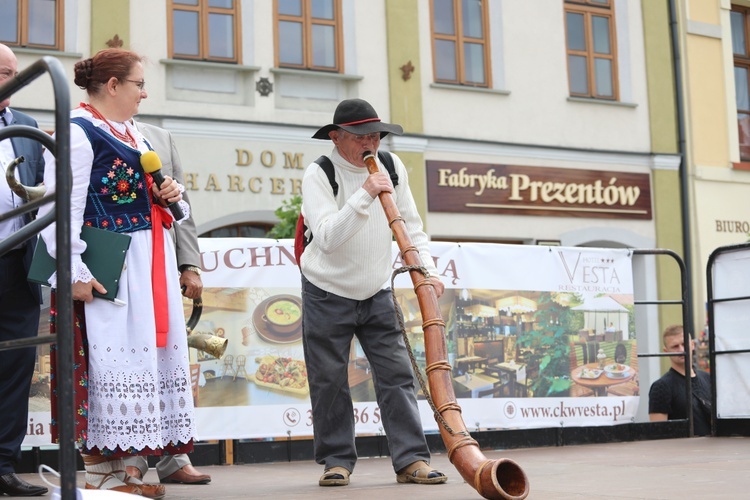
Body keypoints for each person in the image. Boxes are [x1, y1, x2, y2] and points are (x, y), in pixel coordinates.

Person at [37, 48, 196, 497]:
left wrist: (170, 195)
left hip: (148, 260)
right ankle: (100, 474)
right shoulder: (77, 133)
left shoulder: (131, 133)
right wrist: (73, 272)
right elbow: (59, 212)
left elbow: (166, 206)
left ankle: (129, 468)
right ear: (112, 86)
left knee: (142, 356)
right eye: (138, 84)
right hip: (109, 263)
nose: (144, 93)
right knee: (105, 358)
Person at [300, 98, 448, 487]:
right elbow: (329, 238)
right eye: (361, 136)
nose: (371, 143)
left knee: (397, 375)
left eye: (376, 135)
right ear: (336, 137)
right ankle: (337, 460)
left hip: (377, 288)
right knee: (329, 379)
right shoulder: (320, 173)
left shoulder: (393, 168)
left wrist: (428, 272)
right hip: (326, 290)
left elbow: (412, 228)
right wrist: (365, 193)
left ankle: (411, 460)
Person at [123, 121, 210, 485]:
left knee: (167, 357)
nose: (142, 92)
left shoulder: (160, 137)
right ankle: (132, 457)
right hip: (124, 260)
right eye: (136, 84)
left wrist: (189, 264)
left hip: (162, 259)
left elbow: (182, 207)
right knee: (131, 361)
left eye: (143, 84)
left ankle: (175, 456)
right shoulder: (89, 129)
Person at [0, 43, 49, 497]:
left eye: (14, 73)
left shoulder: (28, 127)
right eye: (2, 73)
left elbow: (40, 194)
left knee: (16, 364)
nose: (11, 83)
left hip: (16, 262)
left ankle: (3, 465)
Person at [648, 324, 712, 436]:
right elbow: (657, 434)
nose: (681, 350)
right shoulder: (661, 387)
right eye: (675, 346)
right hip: (682, 451)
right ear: (666, 351)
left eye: (684, 344)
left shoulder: (708, 378)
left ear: (692, 345)